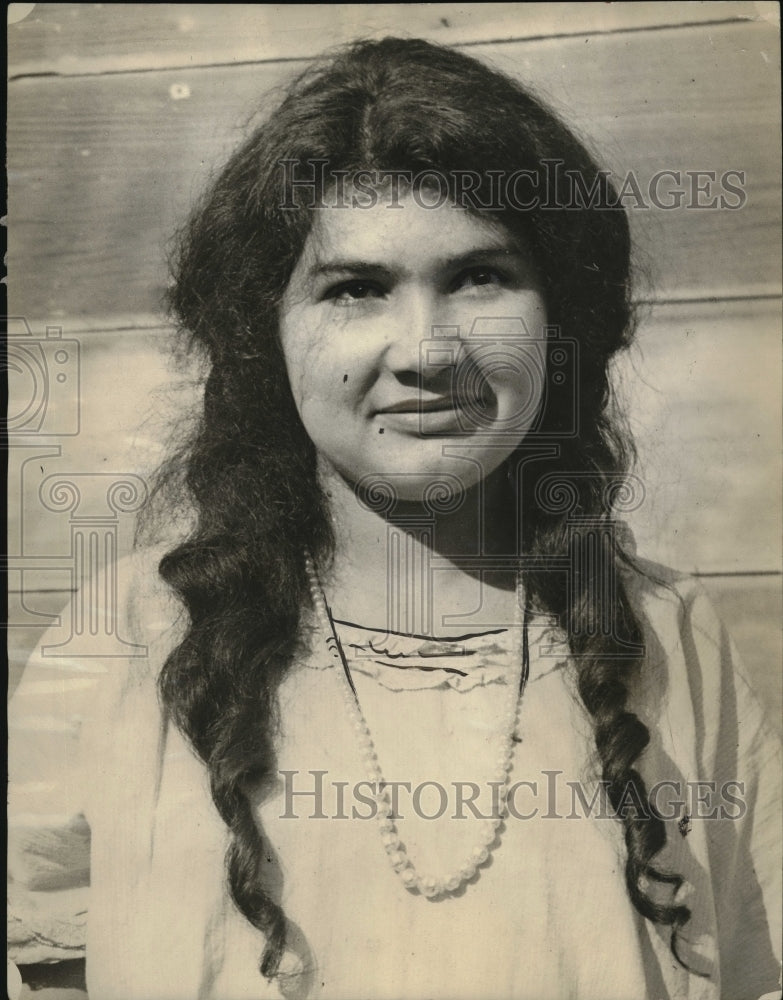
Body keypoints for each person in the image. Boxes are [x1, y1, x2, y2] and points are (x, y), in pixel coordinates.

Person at [8, 36, 781, 1000]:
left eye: (479, 277)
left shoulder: (665, 635)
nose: (426, 350)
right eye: (355, 288)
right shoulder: (123, 641)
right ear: (266, 335)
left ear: (561, 316)